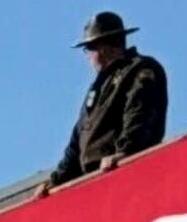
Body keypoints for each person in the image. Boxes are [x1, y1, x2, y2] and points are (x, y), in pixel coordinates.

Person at [51, 11, 168, 191]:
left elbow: (138, 115)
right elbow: (77, 141)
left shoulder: (140, 70)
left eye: (88, 49)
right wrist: (56, 181)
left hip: (125, 177)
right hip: (93, 181)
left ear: (103, 47)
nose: (87, 56)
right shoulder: (96, 88)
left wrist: (125, 153)